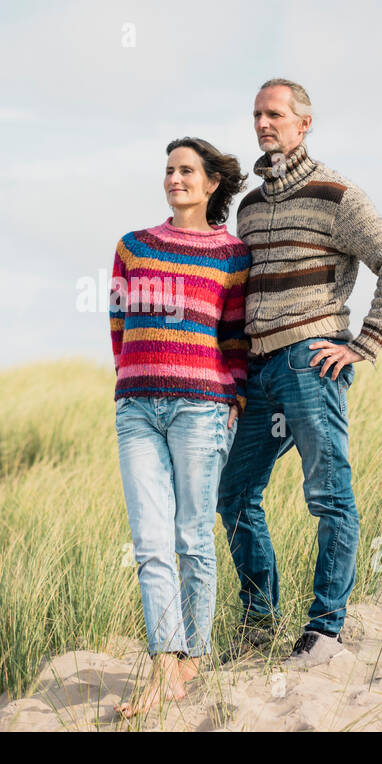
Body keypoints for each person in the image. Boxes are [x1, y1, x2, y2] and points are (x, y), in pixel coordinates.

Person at [218, 78, 382, 669]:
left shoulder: (337, 195)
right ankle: (259, 624)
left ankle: (325, 632)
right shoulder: (250, 209)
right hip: (259, 373)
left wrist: (366, 343)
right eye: (257, 113)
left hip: (312, 360)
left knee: (328, 495)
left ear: (304, 124)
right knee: (234, 493)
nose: (263, 123)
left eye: (275, 114)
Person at [109, 137, 251, 717]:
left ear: (212, 182)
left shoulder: (232, 255)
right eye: (169, 170)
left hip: (202, 408)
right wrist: (131, 378)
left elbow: (236, 337)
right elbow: (118, 324)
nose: (175, 179)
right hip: (138, 409)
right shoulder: (133, 247)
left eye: (187, 170)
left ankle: (194, 658)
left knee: (193, 537)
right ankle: (165, 660)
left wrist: (234, 396)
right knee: (150, 541)